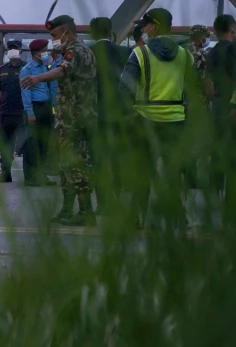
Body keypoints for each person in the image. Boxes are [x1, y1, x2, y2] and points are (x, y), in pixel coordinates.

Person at [119, 8, 197, 228]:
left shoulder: (140, 53)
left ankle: (135, 218)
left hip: (144, 119)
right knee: (172, 173)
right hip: (176, 121)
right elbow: (193, 91)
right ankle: (178, 218)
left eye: (145, 25)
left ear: (155, 26)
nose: (142, 29)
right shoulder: (185, 55)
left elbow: (124, 89)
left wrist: (128, 115)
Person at [21, 15, 97, 226]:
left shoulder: (77, 51)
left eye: (54, 35)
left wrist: (38, 78)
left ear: (67, 32)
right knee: (65, 166)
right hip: (69, 119)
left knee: (77, 165)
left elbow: (62, 69)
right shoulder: (76, 51)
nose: (53, 39)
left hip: (76, 120)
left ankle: (85, 212)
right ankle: (66, 210)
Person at [89, 17, 132, 214]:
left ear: (92, 33)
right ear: (110, 33)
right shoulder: (125, 52)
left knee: (98, 160)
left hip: (94, 114)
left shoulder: (88, 53)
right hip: (120, 115)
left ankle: (103, 203)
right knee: (117, 158)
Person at [19, 39, 57, 186]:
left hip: (46, 108)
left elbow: (52, 87)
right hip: (34, 108)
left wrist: (54, 107)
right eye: (44, 50)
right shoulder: (27, 70)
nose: (46, 53)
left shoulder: (46, 67)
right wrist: (30, 113)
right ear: (37, 53)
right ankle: (30, 177)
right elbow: (25, 93)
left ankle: (42, 176)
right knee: (31, 145)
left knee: (43, 144)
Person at [206, 14, 236, 197]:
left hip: (217, 105)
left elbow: (207, 82)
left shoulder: (211, 53)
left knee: (216, 151)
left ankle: (213, 193)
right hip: (231, 105)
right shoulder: (232, 50)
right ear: (232, 29)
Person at [0, 40, 26, 183]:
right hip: (5, 111)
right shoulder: (2, 69)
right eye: (10, 48)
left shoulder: (26, 68)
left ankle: (30, 174)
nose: (13, 51)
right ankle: (5, 173)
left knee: (26, 144)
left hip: (22, 111)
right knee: (6, 144)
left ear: (20, 51)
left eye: (15, 48)